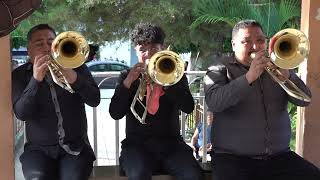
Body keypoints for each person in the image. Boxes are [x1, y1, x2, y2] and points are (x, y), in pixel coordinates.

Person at [204, 19, 320, 180]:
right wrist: (249, 77)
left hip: (279, 157)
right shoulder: (219, 68)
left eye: (260, 41)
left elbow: (305, 100)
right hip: (232, 159)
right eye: (246, 42)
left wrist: (286, 75)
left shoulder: (276, 67)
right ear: (233, 45)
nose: (255, 47)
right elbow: (214, 102)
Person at [109, 23, 202, 180]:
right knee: (138, 175)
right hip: (136, 146)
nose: (148, 54)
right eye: (142, 50)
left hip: (171, 145)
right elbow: (115, 113)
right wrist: (128, 83)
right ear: (136, 51)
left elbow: (188, 107)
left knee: (193, 175)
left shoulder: (175, 75)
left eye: (153, 48)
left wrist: (166, 82)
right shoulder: (126, 76)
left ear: (162, 47)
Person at [12, 24, 100, 180]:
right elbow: (21, 113)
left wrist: (71, 75)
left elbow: (94, 100)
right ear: (29, 50)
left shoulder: (77, 67)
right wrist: (35, 80)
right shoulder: (19, 75)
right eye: (39, 44)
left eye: (50, 42)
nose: (46, 47)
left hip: (76, 148)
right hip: (38, 151)